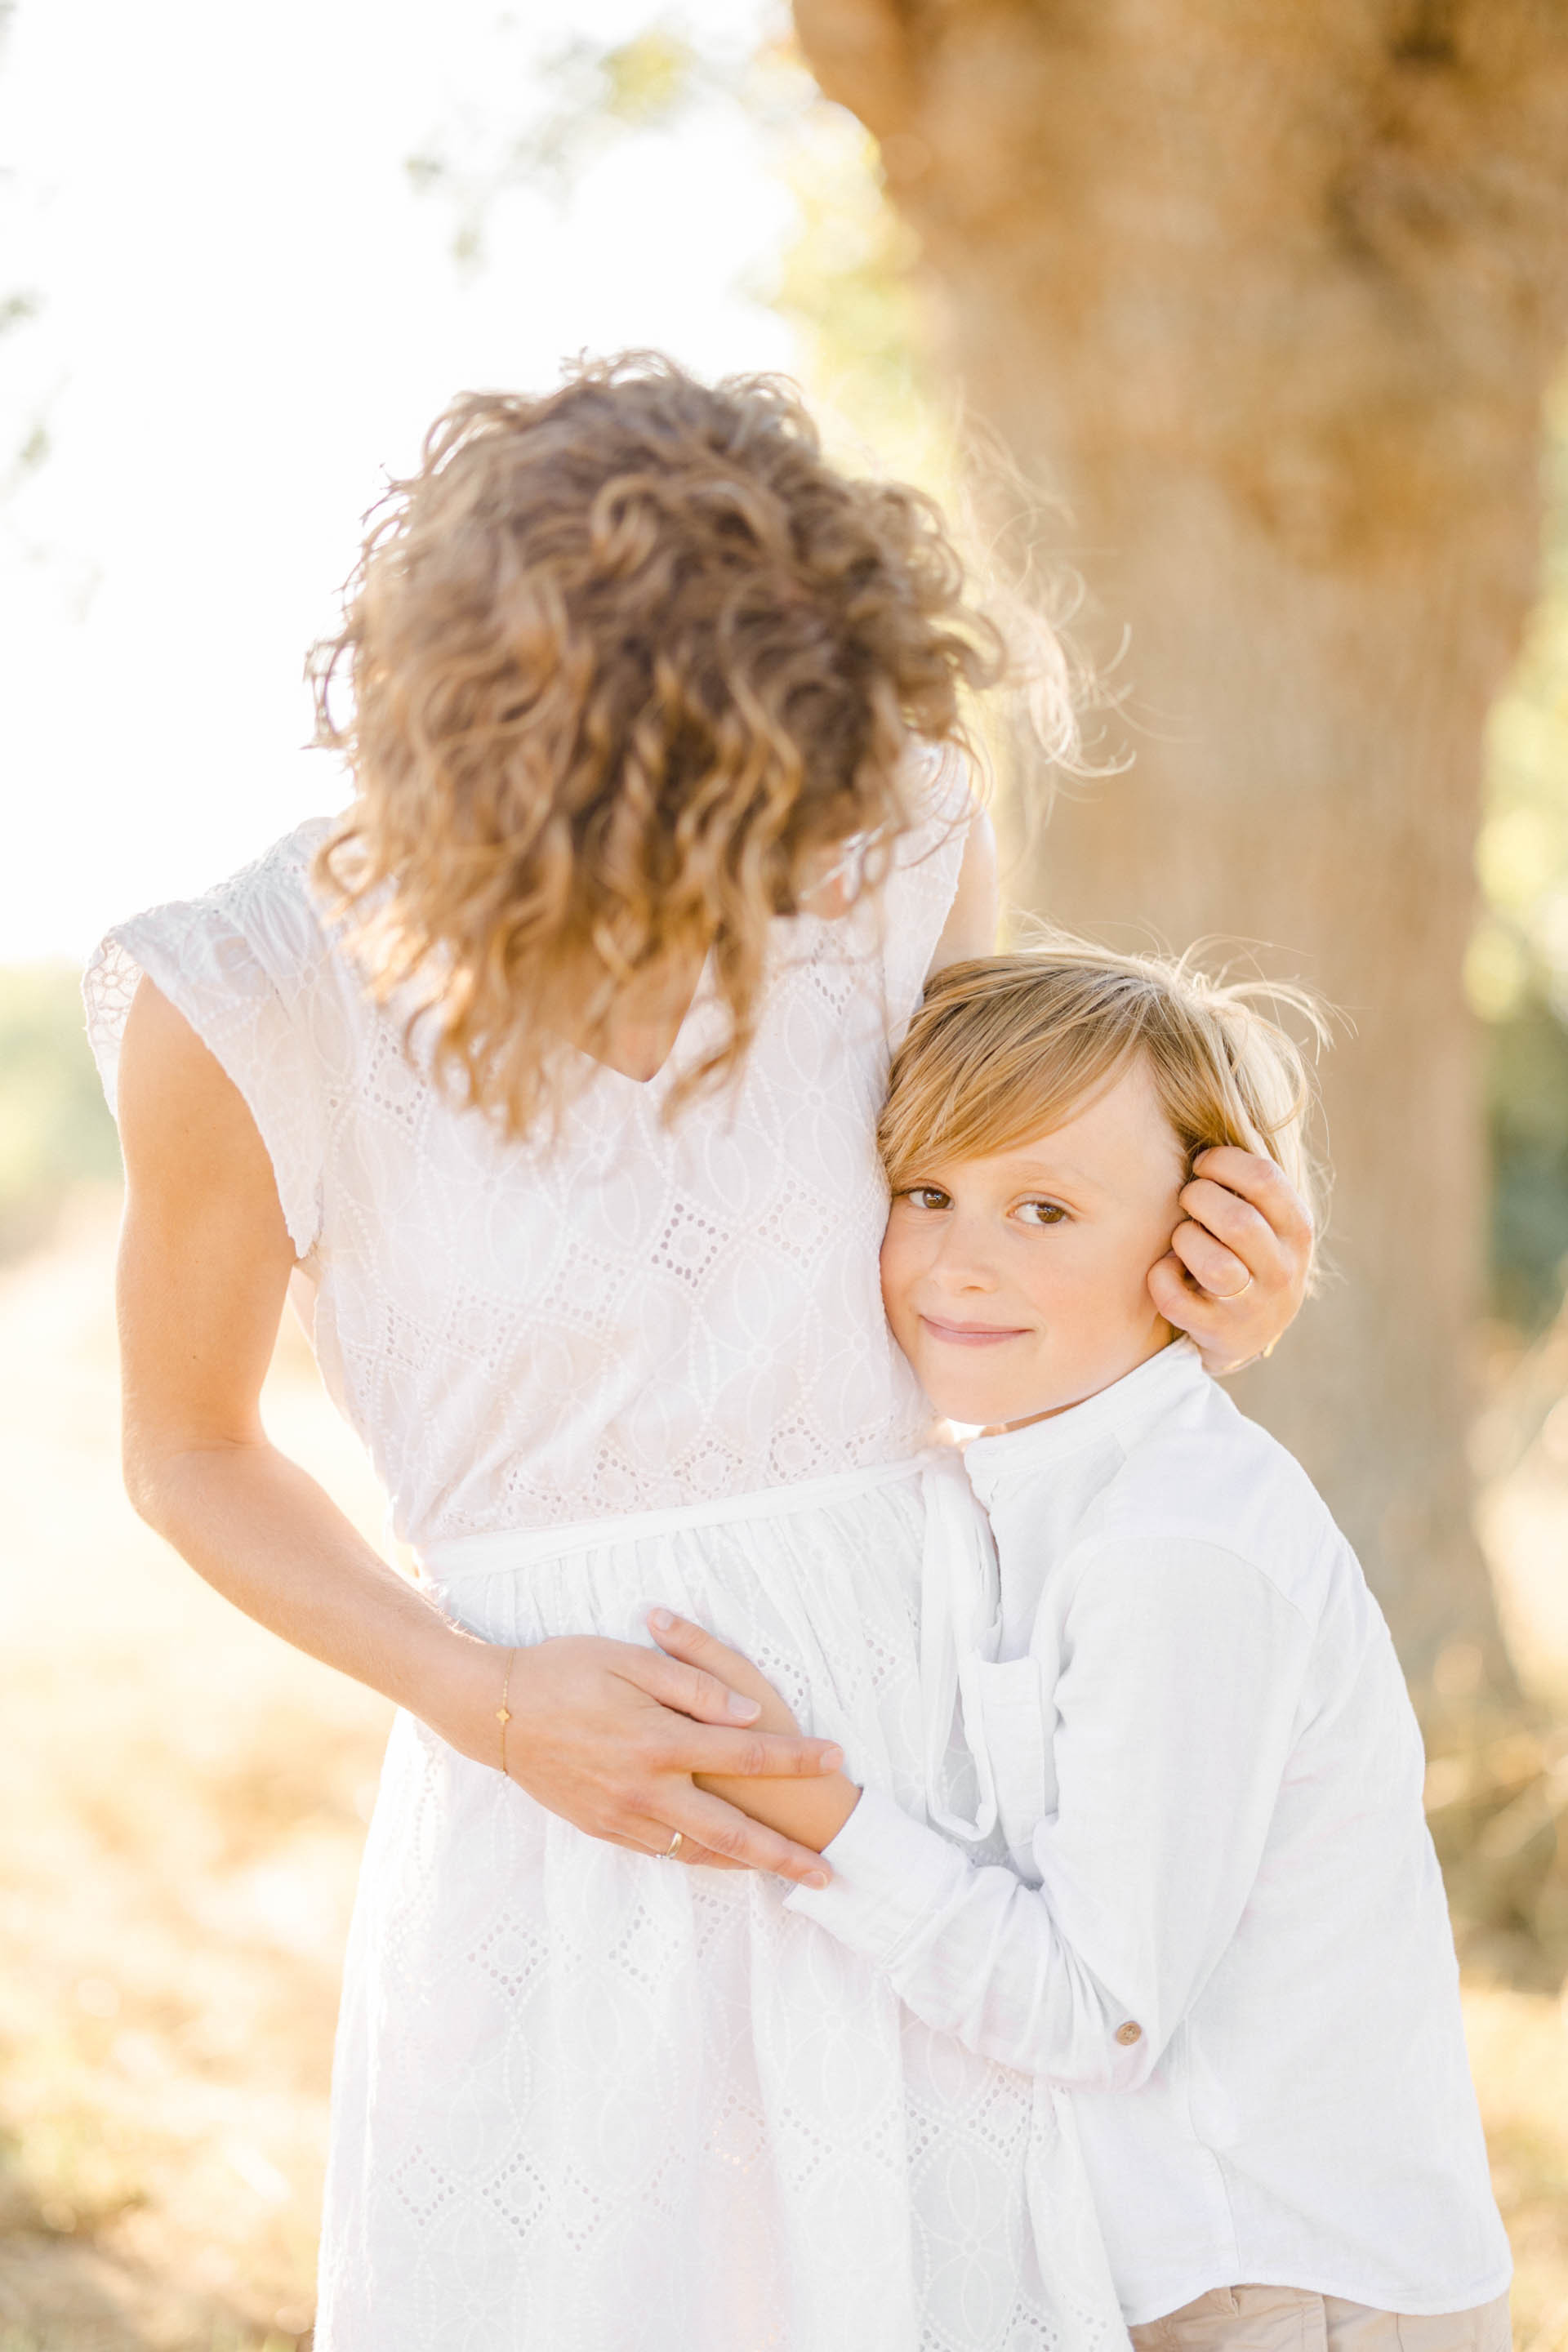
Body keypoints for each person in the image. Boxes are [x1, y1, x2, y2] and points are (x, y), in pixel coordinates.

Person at [84, 355, 1311, 2351]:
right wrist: (485, 1701)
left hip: (927, 1792)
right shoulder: (245, 994)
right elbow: (189, 1453)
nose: (768, 886)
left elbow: (999, 1269)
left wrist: (1188, 1319)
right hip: (560, 1839)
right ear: (496, 760)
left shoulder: (887, 828)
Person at [650, 938, 1514, 2352]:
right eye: (926, 1193)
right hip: (1174, 2271)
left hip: (1293, 2289)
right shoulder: (1015, 1485)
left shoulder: (1178, 1543)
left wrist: (797, 1799)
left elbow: (1098, 2011)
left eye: (1045, 1209)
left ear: (1202, 1244)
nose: (958, 1261)